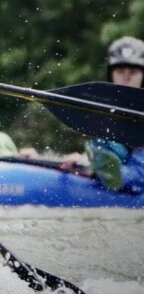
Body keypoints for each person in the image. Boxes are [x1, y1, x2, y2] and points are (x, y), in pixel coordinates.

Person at [61, 36, 144, 191]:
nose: (126, 78)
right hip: (108, 177)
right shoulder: (106, 112)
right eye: (120, 71)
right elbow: (103, 154)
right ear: (110, 74)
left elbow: (140, 173)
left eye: (132, 71)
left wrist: (98, 171)